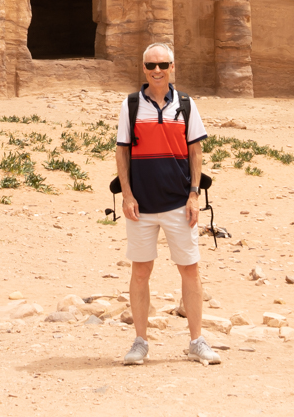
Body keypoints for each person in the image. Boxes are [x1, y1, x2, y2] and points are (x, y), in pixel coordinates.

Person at [115, 43, 219, 367]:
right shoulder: (131, 105)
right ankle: (140, 342)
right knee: (141, 271)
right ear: (143, 68)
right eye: (150, 65)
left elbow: (196, 152)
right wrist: (128, 195)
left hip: (178, 201)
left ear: (172, 66)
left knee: (190, 269)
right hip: (141, 204)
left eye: (162, 64)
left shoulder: (186, 105)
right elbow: (122, 152)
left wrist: (193, 195)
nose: (156, 70)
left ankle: (196, 341)